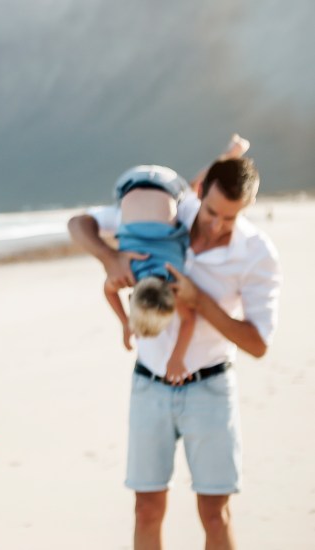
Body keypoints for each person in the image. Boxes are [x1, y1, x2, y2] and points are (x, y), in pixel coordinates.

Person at [68, 150, 280, 549]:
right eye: (211, 212)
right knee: (146, 509)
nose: (216, 225)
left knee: (215, 514)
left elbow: (257, 344)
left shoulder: (257, 254)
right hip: (149, 386)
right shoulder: (172, 210)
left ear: (247, 209)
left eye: (229, 217)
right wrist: (111, 259)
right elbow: (79, 224)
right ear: (200, 197)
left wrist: (200, 301)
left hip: (211, 388)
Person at [106, 135, 251, 384]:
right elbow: (108, 291)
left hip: (168, 188)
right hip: (129, 184)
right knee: (194, 192)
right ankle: (229, 155)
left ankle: (230, 154)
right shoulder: (128, 270)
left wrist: (175, 356)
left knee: (197, 190)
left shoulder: (176, 276)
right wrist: (125, 322)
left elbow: (188, 319)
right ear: (131, 297)